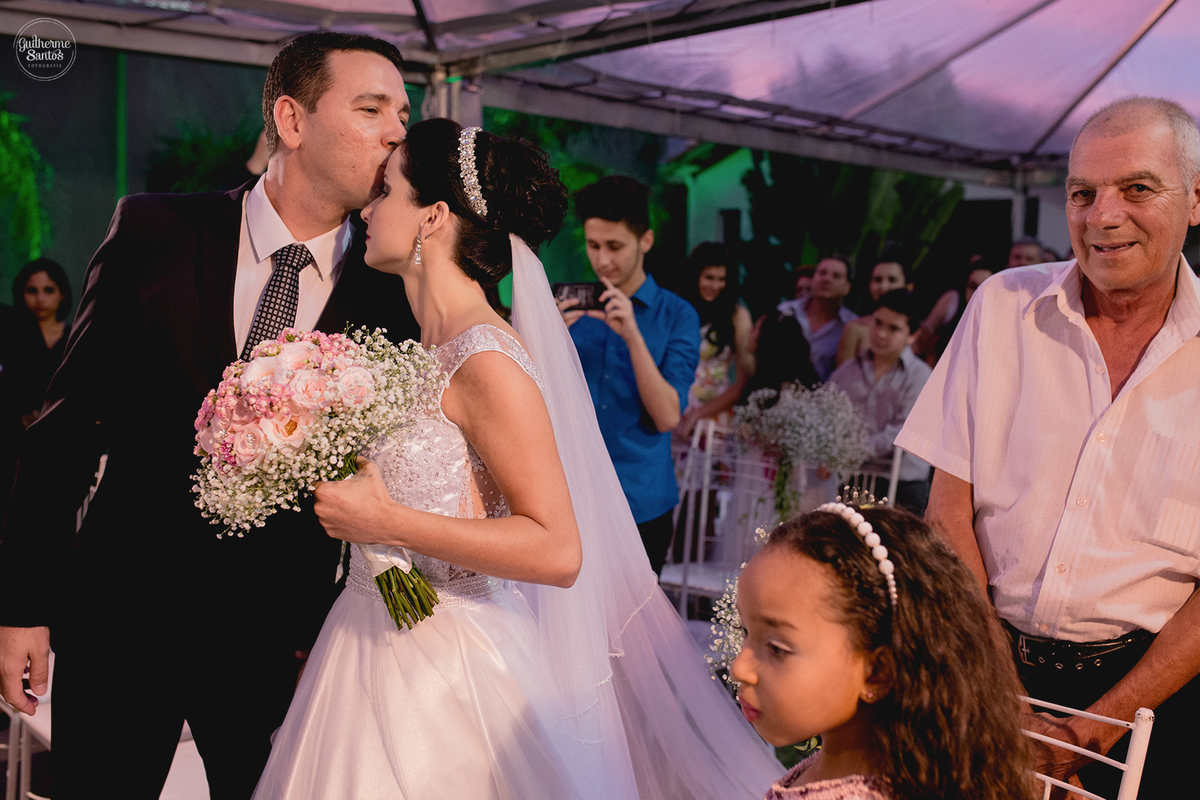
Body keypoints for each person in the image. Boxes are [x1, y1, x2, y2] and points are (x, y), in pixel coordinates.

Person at [256, 119, 781, 799]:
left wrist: (384, 518)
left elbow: (557, 550)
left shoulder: (486, 358)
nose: (368, 207)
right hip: (366, 636)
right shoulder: (421, 346)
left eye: (386, 191)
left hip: (449, 671)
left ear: (433, 217)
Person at [0, 32, 419, 799]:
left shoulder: (398, 291)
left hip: (280, 647)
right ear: (292, 121)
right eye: (371, 108)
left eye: (402, 111)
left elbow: (405, 483)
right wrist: (20, 607)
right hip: (121, 617)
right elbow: (64, 428)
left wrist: (398, 622)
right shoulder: (154, 230)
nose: (397, 131)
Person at [896, 96, 1200, 797]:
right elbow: (948, 511)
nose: (1103, 215)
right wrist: (997, 683)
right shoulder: (1003, 307)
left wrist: (1098, 726)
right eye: (1082, 193)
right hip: (984, 656)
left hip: (1156, 693)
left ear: (1193, 200)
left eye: (1137, 188)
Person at [733, 503, 1036, 800]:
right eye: (745, 632)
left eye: (776, 648)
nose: (738, 668)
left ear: (876, 672)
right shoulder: (844, 769)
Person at [559, 176, 700, 574]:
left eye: (615, 247)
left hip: (641, 501)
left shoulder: (678, 314)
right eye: (593, 245)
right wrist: (546, 337)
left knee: (633, 634)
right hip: (570, 498)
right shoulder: (569, 308)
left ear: (646, 241)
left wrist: (634, 338)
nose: (602, 260)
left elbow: (668, 417)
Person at [829, 291, 932, 515]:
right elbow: (826, 412)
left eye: (893, 328)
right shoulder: (849, 370)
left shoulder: (920, 376)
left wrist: (851, 450)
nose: (881, 334)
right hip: (854, 479)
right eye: (877, 323)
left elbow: (902, 433)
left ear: (912, 335)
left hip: (903, 484)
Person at [676, 241, 755, 434]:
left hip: (713, 415)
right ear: (695, 275)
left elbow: (745, 379)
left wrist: (699, 413)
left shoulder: (737, 315)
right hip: (672, 410)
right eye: (709, 277)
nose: (715, 285)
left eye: (722, 279)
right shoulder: (677, 308)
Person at [3, 259, 72, 431]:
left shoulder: (75, 338)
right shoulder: (8, 337)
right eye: (32, 290)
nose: (40, 299)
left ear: (62, 294)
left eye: (49, 290)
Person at [777, 254, 856, 381]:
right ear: (813, 278)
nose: (827, 279)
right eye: (822, 273)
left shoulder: (851, 326)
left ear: (847, 287)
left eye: (836, 276)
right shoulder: (784, 312)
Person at [911, 257, 993, 365]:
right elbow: (921, 339)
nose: (977, 294)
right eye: (973, 287)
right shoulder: (952, 302)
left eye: (984, 289)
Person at [834, 259, 908, 368]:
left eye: (892, 280)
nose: (883, 286)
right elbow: (841, 380)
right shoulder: (855, 328)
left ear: (909, 285)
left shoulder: (922, 334)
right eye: (877, 280)